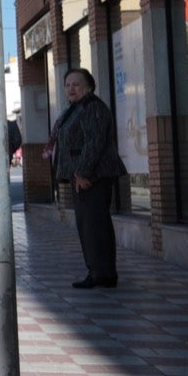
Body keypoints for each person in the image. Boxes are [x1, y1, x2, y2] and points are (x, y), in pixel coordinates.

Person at [49, 67, 126, 289]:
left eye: (76, 84)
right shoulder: (75, 109)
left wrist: (82, 172)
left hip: (93, 176)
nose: (71, 88)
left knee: (94, 225)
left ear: (89, 86)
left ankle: (102, 273)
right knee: (89, 225)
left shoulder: (93, 108)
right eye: (67, 85)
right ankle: (98, 271)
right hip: (82, 176)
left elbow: (94, 142)